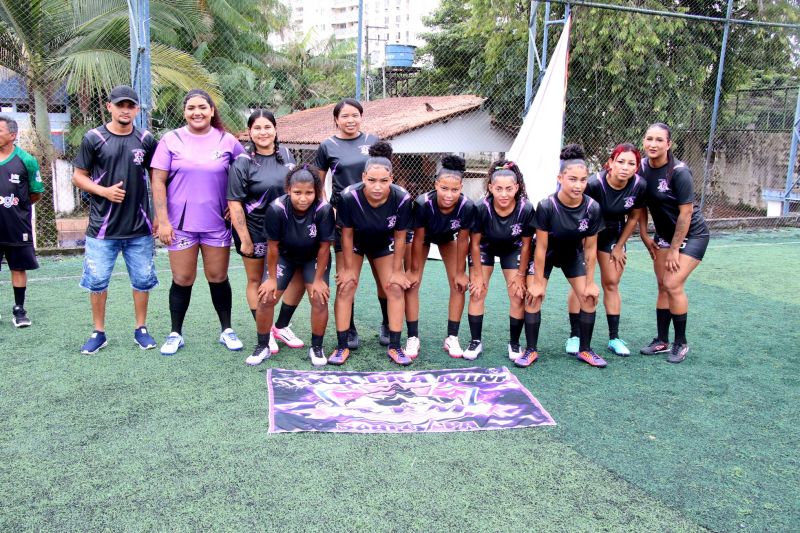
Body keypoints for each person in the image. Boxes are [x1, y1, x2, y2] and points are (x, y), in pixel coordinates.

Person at [150, 89, 246, 355]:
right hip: (180, 225)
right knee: (182, 278)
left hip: (216, 223)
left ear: (212, 110)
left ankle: (226, 330)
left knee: (218, 276)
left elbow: (246, 175)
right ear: (184, 112)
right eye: (191, 108)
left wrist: (235, 203)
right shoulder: (171, 139)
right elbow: (157, 181)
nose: (197, 112)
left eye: (202, 107)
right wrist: (163, 220)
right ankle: (175, 333)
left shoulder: (228, 141)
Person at [71, 86, 158, 354]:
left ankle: (140, 328)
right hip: (102, 228)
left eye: (130, 106)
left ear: (136, 110)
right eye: (120, 105)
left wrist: (160, 215)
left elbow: (158, 176)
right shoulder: (94, 138)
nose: (125, 110)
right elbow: (78, 176)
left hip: (139, 227)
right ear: (109, 107)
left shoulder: (146, 139)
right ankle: (99, 332)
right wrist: (104, 191)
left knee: (142, 280)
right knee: (97, 282)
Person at [227, 109, 307, 355]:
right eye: (257, 128)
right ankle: (265, 328)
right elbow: (234, 202)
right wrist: (245, 239)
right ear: (250, 132)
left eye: (267, 127)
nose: (263, 132)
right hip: (254, 229)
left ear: (275, 129)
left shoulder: (286, 154)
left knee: (299, 277)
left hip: (286, 230)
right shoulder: (243, 162)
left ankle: (281, 326)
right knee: (257, 280)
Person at [331, 142, 414, 366]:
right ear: (363, 177)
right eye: (372, 180)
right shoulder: (349, 196)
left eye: (384, 181)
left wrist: (398, 271)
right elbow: (346, 235)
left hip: (382, 242)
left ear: (392, 179)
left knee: (395, 287)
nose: (377, 186)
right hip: (355, 241)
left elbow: (400, 237)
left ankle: (396, 346)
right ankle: (342, 345)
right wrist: (348, 269)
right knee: (346, 285)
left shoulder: (402, 198)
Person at [524, 144, 606, 368]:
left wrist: (590, 282)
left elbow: (590, 249)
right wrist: (538, 283)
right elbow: (540, 248)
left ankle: (585, 350)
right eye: (572, 179)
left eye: (582, 180)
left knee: (589, 298)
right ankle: (530, 350)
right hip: (547, 255)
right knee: (533, 297)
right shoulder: (547, 206)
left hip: (572, 255)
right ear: (560, 177)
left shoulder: (592, 208)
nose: (578, 185)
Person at [313, 98, 386, 349]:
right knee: (347, 277)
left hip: (377, 219)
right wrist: (327, 211)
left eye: (355, 115)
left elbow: (385, 177)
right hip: (345, 220)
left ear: (361, 117)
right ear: (336, 119)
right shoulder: (327, 146)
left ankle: (388, 323)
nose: (350, 120)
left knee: (383, 277)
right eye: (345, 116)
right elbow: (318, 182)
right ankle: (350, 329)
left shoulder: (373, 142)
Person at [246, 164, 335, 367]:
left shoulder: (324, 209)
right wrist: (270, 278)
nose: (303, 198)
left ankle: (317, 347)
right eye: (297, 192)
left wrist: (319, 279)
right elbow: (273, 247)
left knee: (320, 299)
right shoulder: (276, 209)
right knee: (267, 297)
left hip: (312, 258)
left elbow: (324, 248)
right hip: (284, 257)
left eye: (309, 193)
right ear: (288, 190)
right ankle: (262, 346)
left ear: (317, 192)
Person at [564, 143, 647, 357]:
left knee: (611, 283)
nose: (625, 167)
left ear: (637, 167)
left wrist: (619, 246)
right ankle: (575, 335)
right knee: (580, 284)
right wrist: (581, 244)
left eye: (631, 163)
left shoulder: (639, 185)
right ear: (610, 163)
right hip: (586, 234)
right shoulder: (593, 184)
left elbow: (635, 217)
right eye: (620, 161)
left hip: (612, 234)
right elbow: (579, 213)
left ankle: (614, 337)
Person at [638, 122, 710, 363]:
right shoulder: (642, 167)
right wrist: (646, 235)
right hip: (663, 237)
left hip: (693, 235)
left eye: (659, 140)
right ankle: (661, 340)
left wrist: (675, 249)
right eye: (649, 139)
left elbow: (686, 214)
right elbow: (641, 206)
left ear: (669, 144)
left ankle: (681, 343)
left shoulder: (679, 171)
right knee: (662, 285)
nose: (653, 144)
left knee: (672, 283)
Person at [406, 155, 475, 358]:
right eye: (444, 188)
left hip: (446, 237)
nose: (449, 194)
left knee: (458, 284)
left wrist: (461, 272)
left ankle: (452, 337)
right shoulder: (422, 203)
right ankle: (412, 337)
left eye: (455, 190)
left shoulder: (467, 206)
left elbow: (463, 241)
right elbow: (418, 239)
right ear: (436, 184)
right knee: (412, 284)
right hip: (422, 238)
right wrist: (413, 270)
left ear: (462, 187)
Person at [464, 160, 535, 361]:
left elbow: (527, 244)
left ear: (517, 188)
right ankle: (475, 341)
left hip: (513, 248)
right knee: (477, 292)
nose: (504, 194)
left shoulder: (526, 208)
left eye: (509, 189)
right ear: (490, 188)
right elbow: (475, 243)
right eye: (499, 189)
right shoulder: (481, 207)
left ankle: (514, 343)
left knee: (517, 293)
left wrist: (521, 275)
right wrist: (476, 275)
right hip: (485, 247)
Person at [0, 115, 43, 328]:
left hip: (17, 226)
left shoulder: (26, 160)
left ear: (12, 135)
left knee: (18, 268)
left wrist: (16, 206)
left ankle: (19, 310)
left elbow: (35, 193)